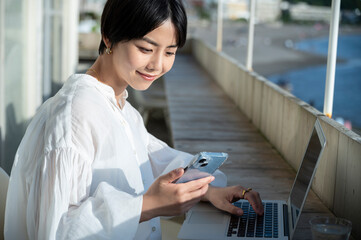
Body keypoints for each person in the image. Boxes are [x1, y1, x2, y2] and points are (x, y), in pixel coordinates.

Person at [4, 0, 263, 239]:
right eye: (146, 48)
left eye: (170, 52)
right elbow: (57, 230)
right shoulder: (74, 115)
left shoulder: (122, 109)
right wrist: (147, 205)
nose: (157, 65)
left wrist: (207, 191)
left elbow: (152, 159)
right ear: (109, 36)